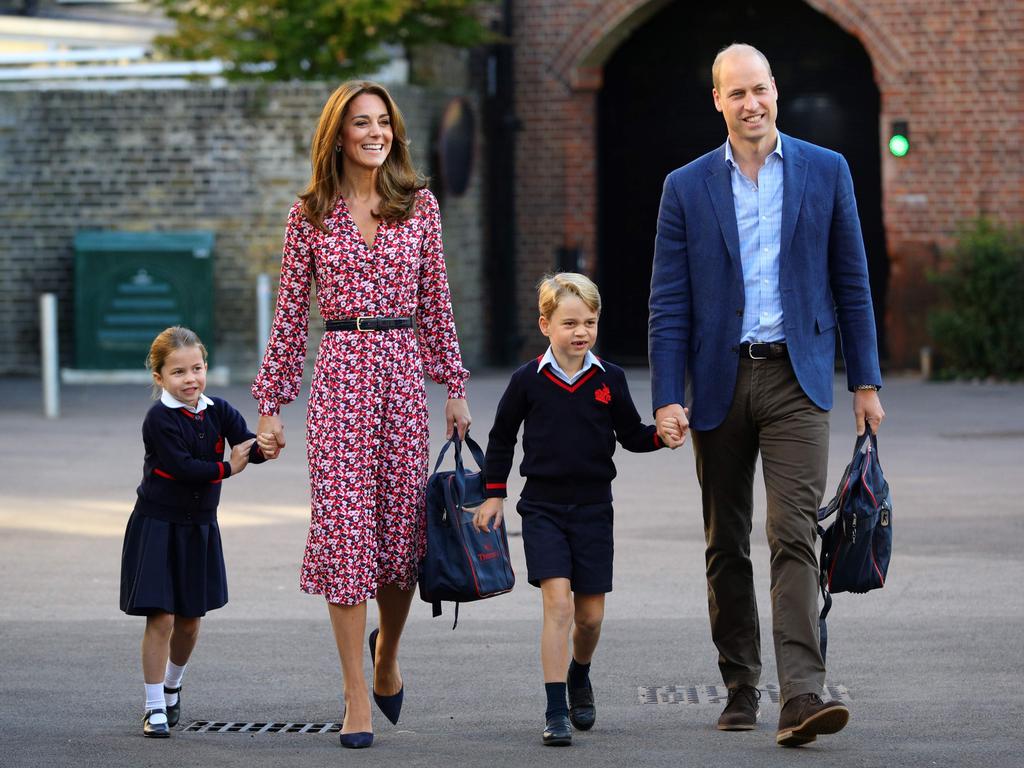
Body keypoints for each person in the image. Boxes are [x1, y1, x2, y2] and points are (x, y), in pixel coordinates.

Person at [649, 43, 886, 747]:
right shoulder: (685, 187)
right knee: (726, 543)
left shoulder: (826, 169)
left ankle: (802, 696)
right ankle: (741, 683)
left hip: (798, 377)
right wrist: (667, 395)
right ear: (717, 102)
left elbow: (853, 281)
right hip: (718, 381)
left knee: (793, 534)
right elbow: (668, 302)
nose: (750, 104)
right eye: (736, 94)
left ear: (775, 91)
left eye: (760, 90)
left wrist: (865, 381)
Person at [251, 80, 472, 749]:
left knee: (402, 543)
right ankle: (354, 695)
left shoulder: (420, 206)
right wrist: (270, 406)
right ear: (337, 136)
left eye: (383, 122)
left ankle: (387, 656)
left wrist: (453, 385)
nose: (375, 133)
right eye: (361, 124)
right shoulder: (309, 214)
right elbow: (290, 318)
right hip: (340, 375)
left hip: (403, 376)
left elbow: (437, 302)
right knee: (347, 538)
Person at [474, 273, 670, 746]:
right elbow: (501, 437)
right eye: (569, 323)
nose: (580, 332)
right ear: (545, 325)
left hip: (593, 509)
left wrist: (661, 436)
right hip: (541, 508)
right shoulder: (527, 381)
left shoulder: (610, 379)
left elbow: (631, 434)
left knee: (590, 618)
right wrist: (494, 492)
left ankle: (580, 672)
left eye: (589, 322)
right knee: (557, 605)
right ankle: (555, 708)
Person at [120, 326, 271, 738]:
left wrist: (265, 446)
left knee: (189, 619)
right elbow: (183, 468)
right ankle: (153, 707)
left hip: (199, 528)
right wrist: (229, 467)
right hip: (157, 525)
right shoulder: (159, 420)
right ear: (160, 378)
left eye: (197, 368)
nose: (190, 379)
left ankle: (172, 688)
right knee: (161, 616)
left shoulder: (218, 409)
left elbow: (246, 444)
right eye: (179, 372)